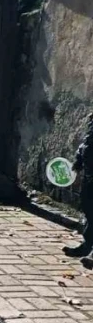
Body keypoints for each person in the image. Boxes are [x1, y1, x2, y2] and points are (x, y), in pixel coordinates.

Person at [64, 111, 93, 259]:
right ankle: (87, 246)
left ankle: (89, 250)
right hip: (90, 179)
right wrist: (79, 160)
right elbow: (86, 144)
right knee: (89, 211)